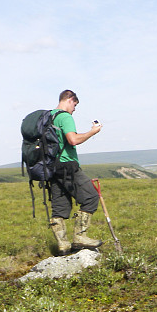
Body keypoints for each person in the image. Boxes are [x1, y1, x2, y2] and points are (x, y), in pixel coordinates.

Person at [47, 89, 103, 255]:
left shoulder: (49, 117)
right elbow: (73, 139)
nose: (74, 109)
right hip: (67, 165)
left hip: (52, 168)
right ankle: (80, 237)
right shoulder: (65, 117)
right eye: (75, 105)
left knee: (60, 208)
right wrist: (93, 131)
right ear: (70, 99)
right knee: (91, 196)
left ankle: (63, 246)